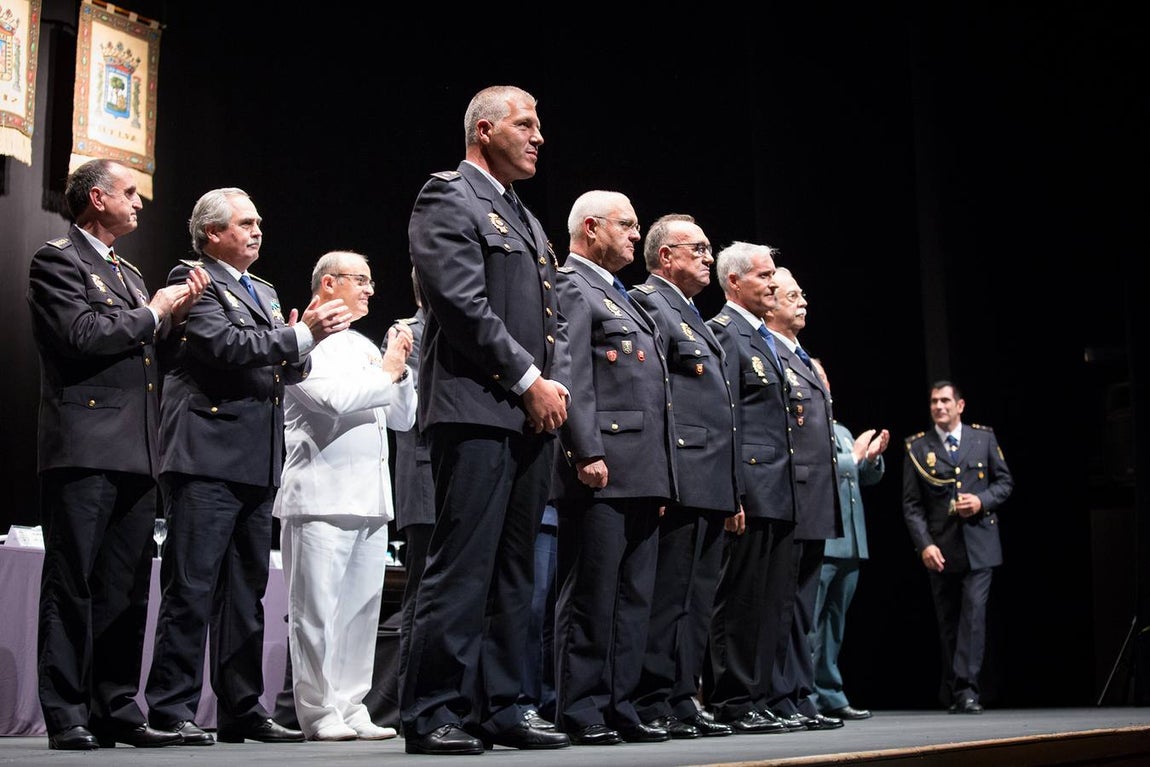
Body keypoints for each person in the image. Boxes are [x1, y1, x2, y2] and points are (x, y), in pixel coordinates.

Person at [144, 187, 352, 745]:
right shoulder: (194, 279)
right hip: (206, 456)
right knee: (191, 588)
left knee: (247, 593)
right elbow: (226, 346)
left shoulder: (261, 289)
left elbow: (282, 364)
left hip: (258, 459)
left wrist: (297, 346)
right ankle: (171, 707)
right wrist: (299, 334)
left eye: (259, 222)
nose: (257, 231)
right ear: (212, 234)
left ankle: (242, 708)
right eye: (245, 223)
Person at [401, 84, 571, 755]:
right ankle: (434, 708)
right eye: (526, 123)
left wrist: (543, 388)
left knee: (515, 573)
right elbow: (462, 304)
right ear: (484, 129)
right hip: (476, 407)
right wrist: (530, 380)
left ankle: (506, 703)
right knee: (462, 565)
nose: (538, 136)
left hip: (527, 415)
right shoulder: (449, 195)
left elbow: (543, 319)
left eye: (539, 124)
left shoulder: (522, 216)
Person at [27, 158, 208, 751]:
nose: (139, 203)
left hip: (138, 450)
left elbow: (150, 353)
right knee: (72, 582)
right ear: (97, 198)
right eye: (130, 193)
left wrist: (175, 320)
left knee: (126, 587)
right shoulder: (58, 260)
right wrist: (156, 311)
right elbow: (82, 336)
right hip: (85, 446)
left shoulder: (126, 272)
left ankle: (114, 704)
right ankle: (66, 710)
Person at [552, 190, 677, 746]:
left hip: (643, 467)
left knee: (634, 598)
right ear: (592, 228)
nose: (634, 235)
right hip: (602, 465)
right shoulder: (572, 285)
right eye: (626, 226)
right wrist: (586, 449)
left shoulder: (619, 294)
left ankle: (620, 704)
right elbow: (571, 374)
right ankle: (580, 708)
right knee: (591, 595)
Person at [273, 250, 415, 741]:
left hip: (370, 497)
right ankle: (316, 711)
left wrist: (403, 370)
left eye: (372, 281)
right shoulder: (302, 341)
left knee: (361, 610)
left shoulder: (362, 345)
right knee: (315, 612)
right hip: (320, 496)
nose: (371, 289)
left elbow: (401, 418)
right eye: (361, 280)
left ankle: (352, 704)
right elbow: (333, 403)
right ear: (329, 283)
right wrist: (389, 369)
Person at [629, 214, 738, 739]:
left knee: (697, 600)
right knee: (668, 597)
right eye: (697, 248)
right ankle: (652, 697)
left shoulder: (692, 311)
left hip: (711, 475)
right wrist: (666, 474)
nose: (707, 257)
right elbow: (656, 396)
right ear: (666, 256)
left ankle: (681, 696)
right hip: (682, 472)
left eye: (708, 248)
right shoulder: (651, 301)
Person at [702, 241, 795, 735]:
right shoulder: (726, 333)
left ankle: (759, 696)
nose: (774, 284)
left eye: (774, 275)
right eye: (764, 276)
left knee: (769, 601)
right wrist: (732, 490)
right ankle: (733, 699)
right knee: (737, 600)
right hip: (751, 487)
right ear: (735, 282)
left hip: (778, 487)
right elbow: (728, 419)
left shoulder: (763, 338)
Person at [762, 267, 844, 731]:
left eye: (802, 293)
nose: (803, 301)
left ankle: (799, 692)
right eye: (792, 295)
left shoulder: (804, 357)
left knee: (802, 608)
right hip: (787, 492)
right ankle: (780, 694)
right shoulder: (770, 352)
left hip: (814, 497)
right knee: (781, 604)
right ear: (769, 303)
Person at [902, 381, 1013, 714]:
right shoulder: (918, 448)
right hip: (942, 547)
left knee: (974, 618)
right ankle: (953, 688)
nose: (939, 406)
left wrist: (981, 500)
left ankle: (967, 689)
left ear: (960, 405)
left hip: (980, 545)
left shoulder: (983, 438)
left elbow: (1005, 482)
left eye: (946, 401)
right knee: (949, 622)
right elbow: (912, 505)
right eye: (934, 401)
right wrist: (924, 546)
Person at [806, 357, 889, 720]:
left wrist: (871, 459)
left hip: (851, 542)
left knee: (835, 625)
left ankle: (830, 692)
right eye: (816, 377)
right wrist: (853, 458)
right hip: (824, 539)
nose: (823, 382)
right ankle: (804, 695)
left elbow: (862, 477)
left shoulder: (838, 429)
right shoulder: (806, 424)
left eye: (825, 377)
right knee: (811, 623)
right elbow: (821, 468)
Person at [386, 267, 434, 723]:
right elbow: (412, 408)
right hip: (425, 475)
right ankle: (412, 702)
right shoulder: (408, 333)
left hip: (458, 478)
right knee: (421, 593)